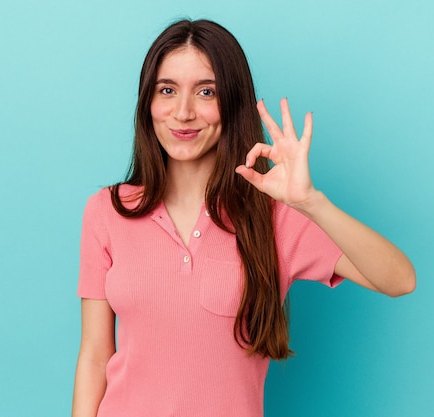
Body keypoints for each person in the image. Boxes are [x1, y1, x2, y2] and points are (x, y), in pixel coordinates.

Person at [72, 19, 415, 417]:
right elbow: (95, 357)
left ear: (232, 102)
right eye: (167, 90)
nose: (183, 112)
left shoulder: (274, 215)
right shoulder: (107, 211)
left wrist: (310, 202)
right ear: (148, 102)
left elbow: (399, 279)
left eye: (206, 92)